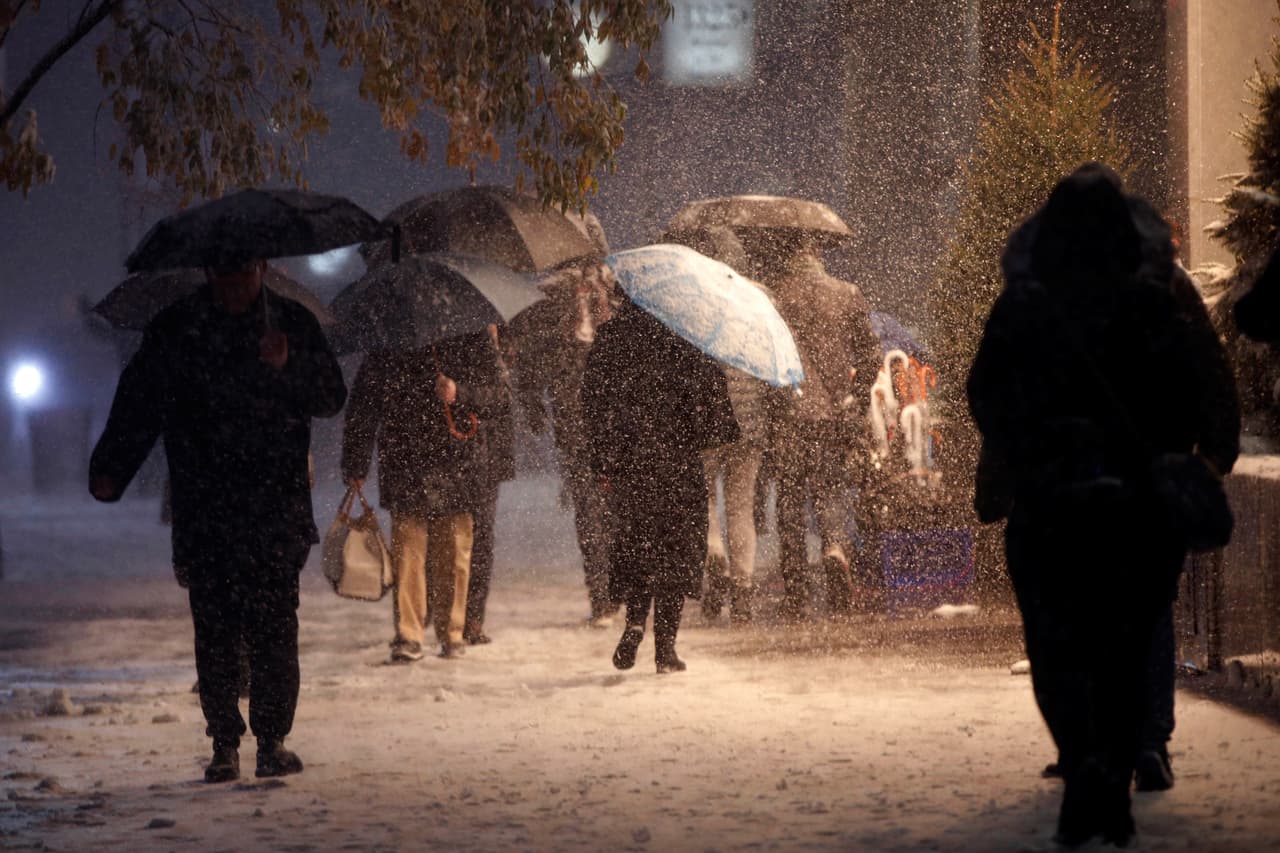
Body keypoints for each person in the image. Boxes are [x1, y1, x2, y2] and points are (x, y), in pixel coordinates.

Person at [967, 163, 1240, 846]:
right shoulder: (1154, 294)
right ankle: (1129, 749)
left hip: (1050, 506)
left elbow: (989, 394)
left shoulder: (1027, 301)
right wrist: (1209, 451)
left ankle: (1083, 749)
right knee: (1134, 631)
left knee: (1056, 638)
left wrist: (1015, 465)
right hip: (1137, 503)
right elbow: (1202, 372)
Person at [89, 257, 347, 784]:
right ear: (207, 273)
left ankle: (272, 739)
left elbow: (330, 397)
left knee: (275, 625)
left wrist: (289, 364)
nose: (234, 289)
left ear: (262, 268)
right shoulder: (179, 327)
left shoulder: (291, 323)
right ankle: (225, 742)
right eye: (224, 277)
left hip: (274, 504)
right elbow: (140, 401)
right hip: (207, 505)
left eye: (243, 276)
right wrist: (111, 468)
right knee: (216, 628)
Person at [580, 290, 740, 673]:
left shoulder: (612, 335)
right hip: (678, 461)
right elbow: (713, 402)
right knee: (676, 549)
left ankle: (635, 621)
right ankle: (665, 648)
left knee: (637, 542)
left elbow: (592, 401)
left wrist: (603, 457)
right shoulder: (687, 335)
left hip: (630, 461)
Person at [341, 330, 510, 662]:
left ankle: (452, 631)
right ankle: (409, 632)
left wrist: (459, 392)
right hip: (406, 459)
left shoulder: (472, 336)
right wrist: (355, 461)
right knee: (409, 554)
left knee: (455, 553)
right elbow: (365, 402)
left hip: (458, 458)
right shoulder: (388, 343)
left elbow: (499, 397)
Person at [741, 232, 883, 620]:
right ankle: (835, 548)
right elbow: (871, 356)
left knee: (789, 500)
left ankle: (797, 590)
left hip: (789, 414)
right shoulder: (846, 293)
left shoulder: (774, 298)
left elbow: (763, 360)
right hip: (833, 414)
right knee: (830, 488)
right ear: (816, 252)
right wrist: (852, 395)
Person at [662, 226, 771, 624]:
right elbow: (770, 360)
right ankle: (741, 589)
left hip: (704, 416)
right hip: (749, 419)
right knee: (741, 506)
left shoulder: (691, 301)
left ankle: (715, 555)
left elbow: (677, 365)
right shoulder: (759, 299)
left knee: (704, 499)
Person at [507, 260, 621, 627]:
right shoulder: (550, 299)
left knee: (615, 508)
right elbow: (530, 357)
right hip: (575, 420)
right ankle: (602, 596)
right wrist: (535, 404)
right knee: (590, 509)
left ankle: (616, 589)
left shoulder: (616, 294)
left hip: (614, 421)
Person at [463, 325, 517, 646]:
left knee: (481, 536)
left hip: (489, 454)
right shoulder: (466, 338)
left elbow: (502, 395)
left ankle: (472, 618)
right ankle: (459, 615)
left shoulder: (502, 334)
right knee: (463, 536)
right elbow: (496, 394)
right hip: (465, 448)